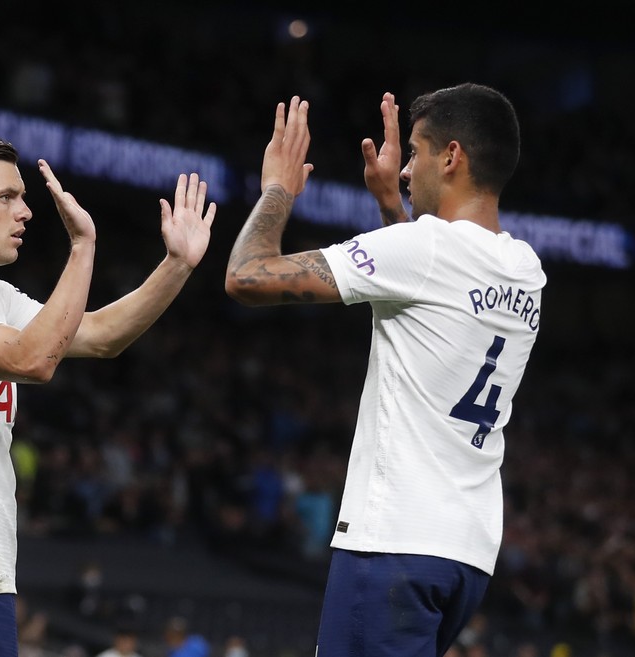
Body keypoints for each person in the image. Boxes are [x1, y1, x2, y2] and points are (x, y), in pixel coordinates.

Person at [225, 85, 545, 656]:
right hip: (464, 554)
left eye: (417, 154)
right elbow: (429, 292)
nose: (404, 172)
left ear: (452, 157)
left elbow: (248, 277)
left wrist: (276, 187)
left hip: (394, 543)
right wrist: (391, 212)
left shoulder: (422, 251)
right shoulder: (526, 270)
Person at [0, 133, 216, 657]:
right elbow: (32, 361)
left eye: (22, 197)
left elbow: (101, 335)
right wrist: (82, 248)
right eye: (6, 197)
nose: (25, 212)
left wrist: (176, 264)